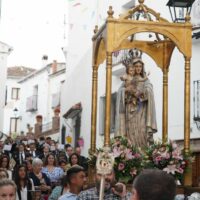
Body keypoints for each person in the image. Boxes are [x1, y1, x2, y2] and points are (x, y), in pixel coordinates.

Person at [115, 54, 157, 147]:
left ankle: (142, 152)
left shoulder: (146, 80)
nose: (138, 68)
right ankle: (132, 154)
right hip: (129, 110)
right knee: (131, 131)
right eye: (136, 66)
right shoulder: (127, 80)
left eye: (140, 66)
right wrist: (126, 90)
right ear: (133, 67)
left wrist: (143, 93)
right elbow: (120, 92)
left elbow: (149, 90)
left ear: (142, 67)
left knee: (141, 130)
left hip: (142, 110)